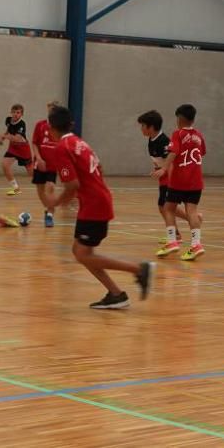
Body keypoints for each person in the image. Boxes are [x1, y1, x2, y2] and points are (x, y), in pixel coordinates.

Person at [43, 107, 155, 309]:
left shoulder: (62, 148)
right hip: (96, 200)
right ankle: (116, 294)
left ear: (50, 128)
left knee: (82, 254)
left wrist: (55, 201)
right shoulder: (80, 143)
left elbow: (72, 185)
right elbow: (98, 169)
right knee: (82, 252)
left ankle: (138, 269)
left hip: (94, 204)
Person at [152, 104, 206, 261]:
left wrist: (164, 168)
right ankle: (196, 245)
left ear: (180, 119)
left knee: (168, 208)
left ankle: (172, 241)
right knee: (192, 211)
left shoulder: (178, 134)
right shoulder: (199, 135)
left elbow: (174, 151)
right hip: (196, 180)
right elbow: (202, 152)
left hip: (179, 180)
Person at [138, 109, 191, 248]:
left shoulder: (164, 142)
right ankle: (178, 233)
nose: (141, 129)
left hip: (171, 177)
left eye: (143, 126)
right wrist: (157, 169)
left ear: (151, 127)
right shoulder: (151, 139)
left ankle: (180, 230)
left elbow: (172, 160)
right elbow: (159, 160)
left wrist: (165, 171)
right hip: (163, 177)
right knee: (164, 207)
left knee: (164, 206)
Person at [30, 101, 61, 227]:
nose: (51, 111)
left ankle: (50, 214)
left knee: (51, 187)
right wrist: (39, 158)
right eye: (50, 109)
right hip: (40, 163)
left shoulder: (59, 128)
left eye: (54, 110)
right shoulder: (40, 125)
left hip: (53, 164)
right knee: (40, 190)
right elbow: (34, 143)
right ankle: (48, 208)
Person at [0, 104, 32, 196]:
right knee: (4, 165)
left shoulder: (22, 124)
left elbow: (17, 138)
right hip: (13, 147)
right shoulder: (8, 120)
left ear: (22, 114)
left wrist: (4, 136)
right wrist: (2, 139)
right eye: (14, 112)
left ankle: (44, 182)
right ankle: (16, 188)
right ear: (11, 113)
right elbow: (8, 130)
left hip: (23, 148)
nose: (16, 114)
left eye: (18, 112)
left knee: (31, 173)